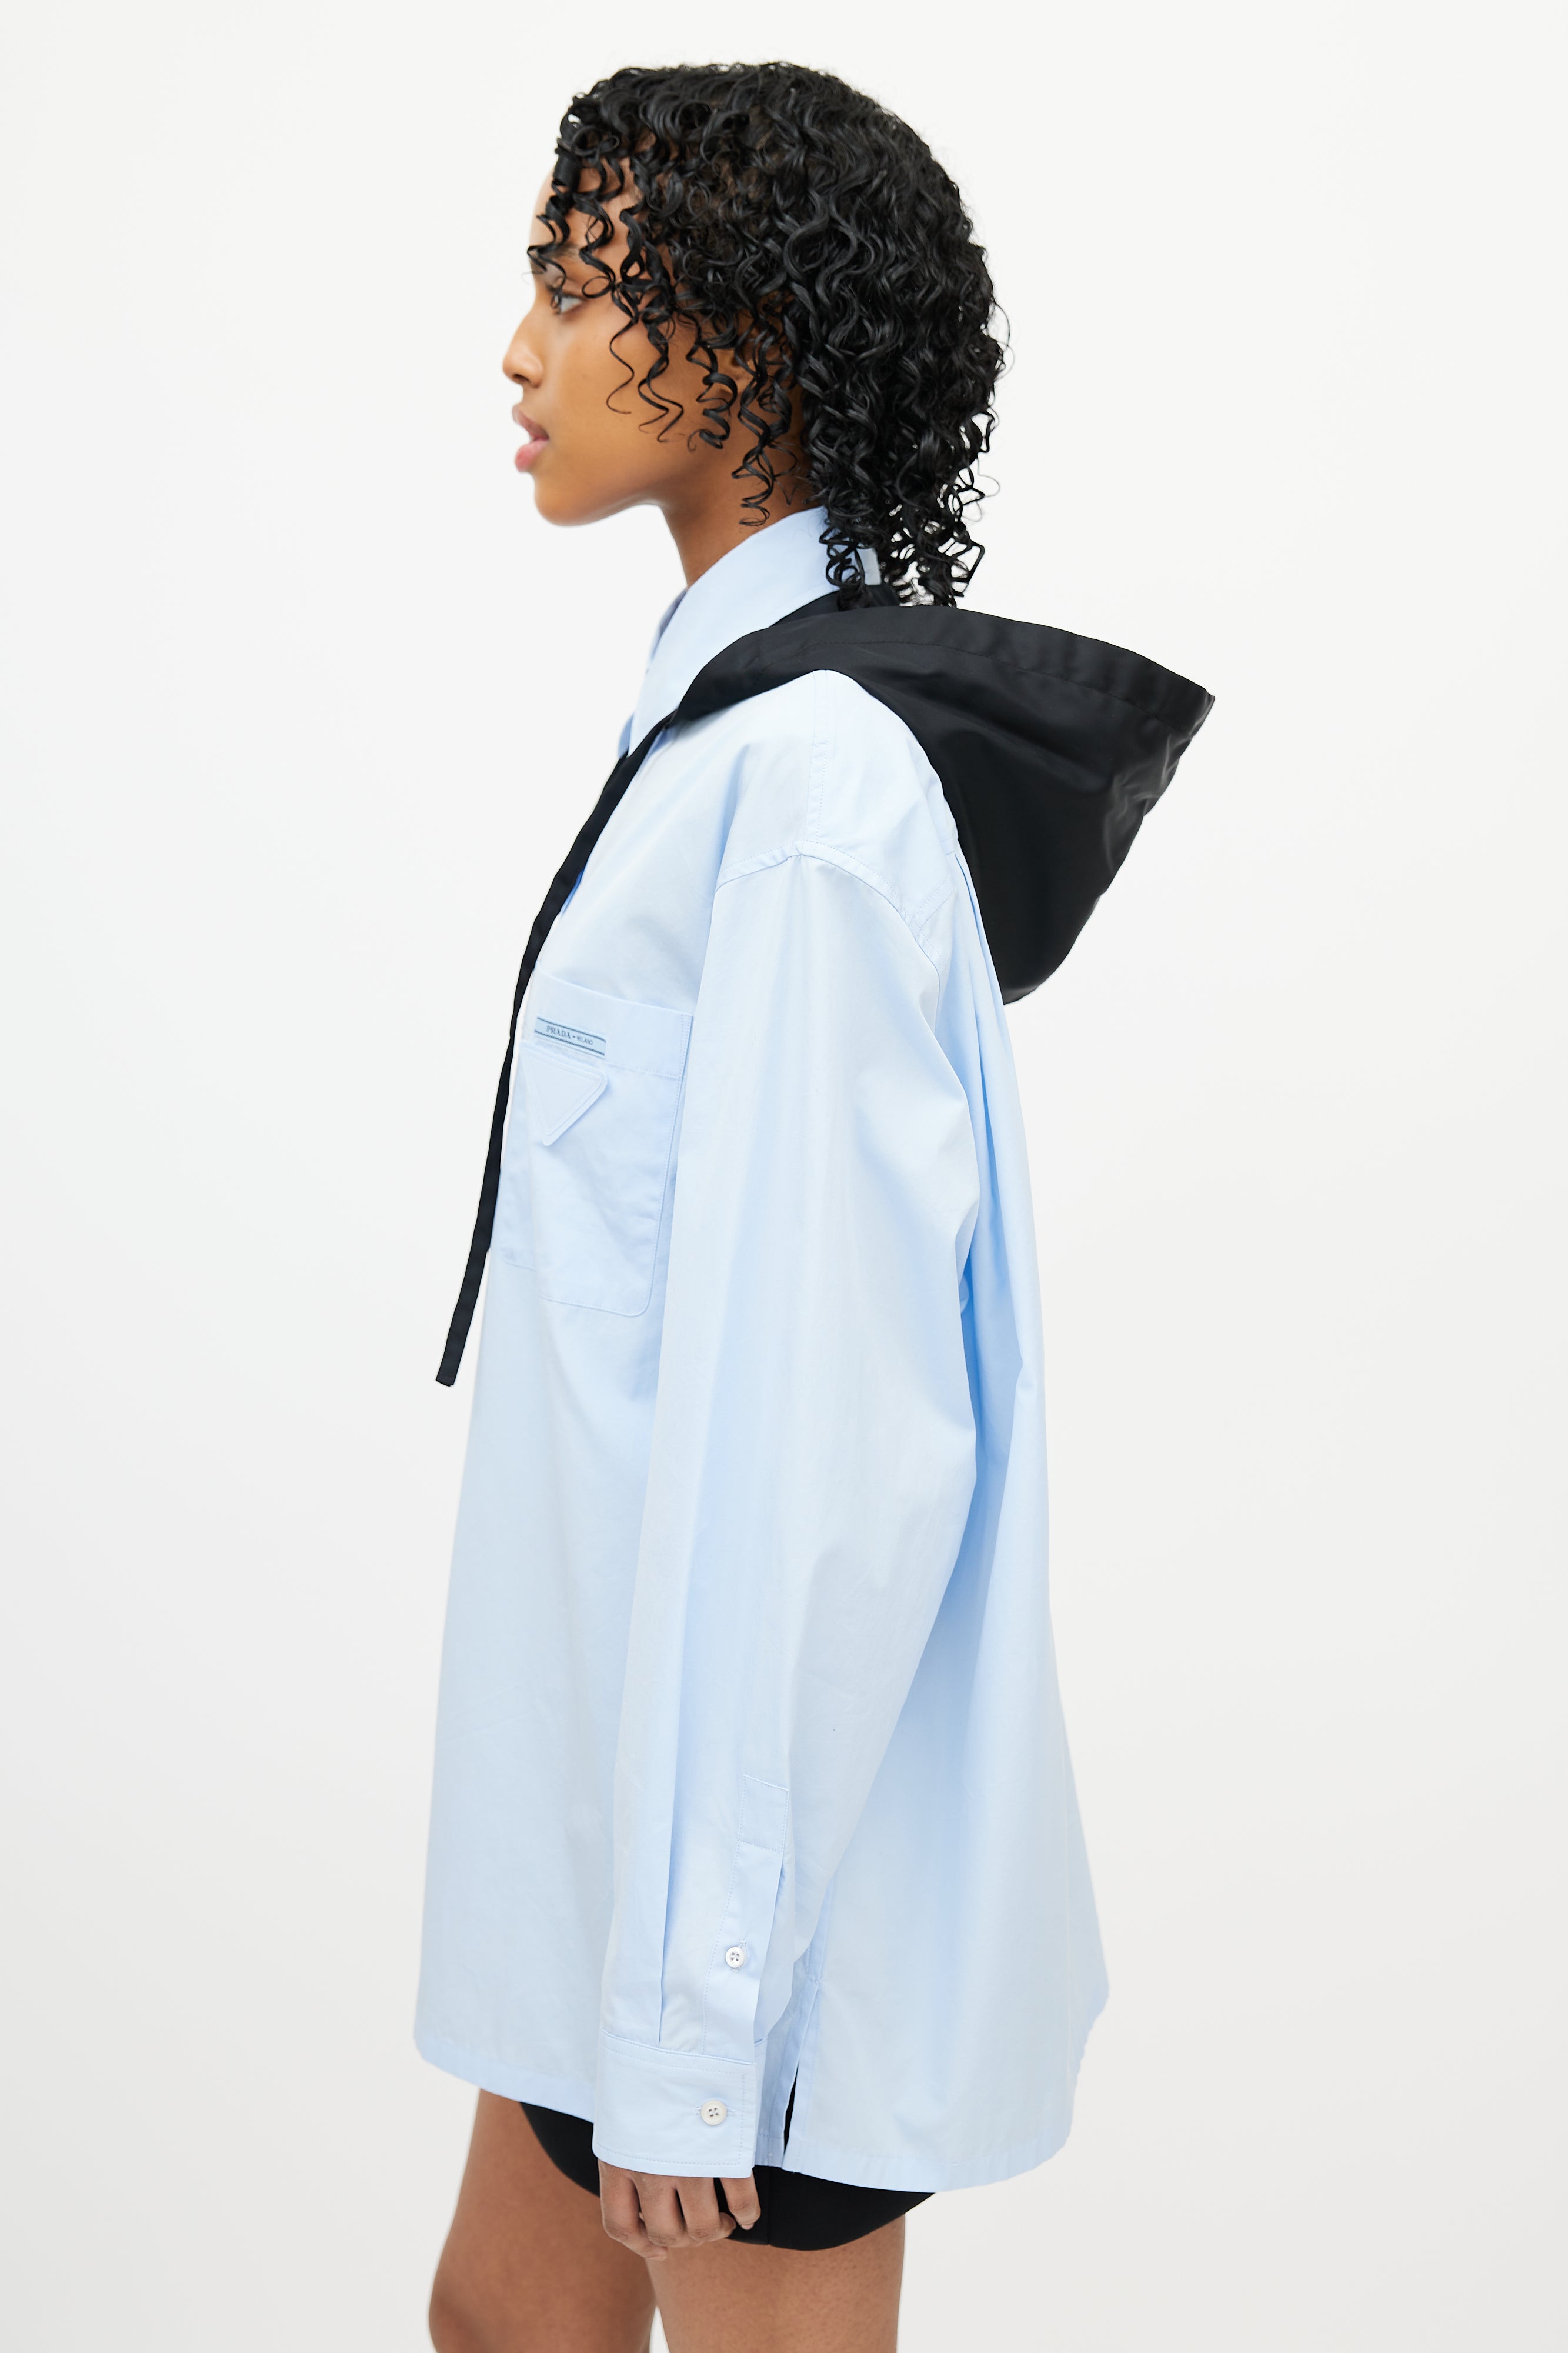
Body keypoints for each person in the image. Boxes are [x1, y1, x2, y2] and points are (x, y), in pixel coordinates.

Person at [418, 62, 1210, 2353]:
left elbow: (820, 1453)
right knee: (501, 2319)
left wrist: (696, 2012)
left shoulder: (804, 797)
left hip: (746, 1919)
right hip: (630, 1843)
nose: (522, 349)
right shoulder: (724, 746)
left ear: (742, 345)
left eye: (578, 286)